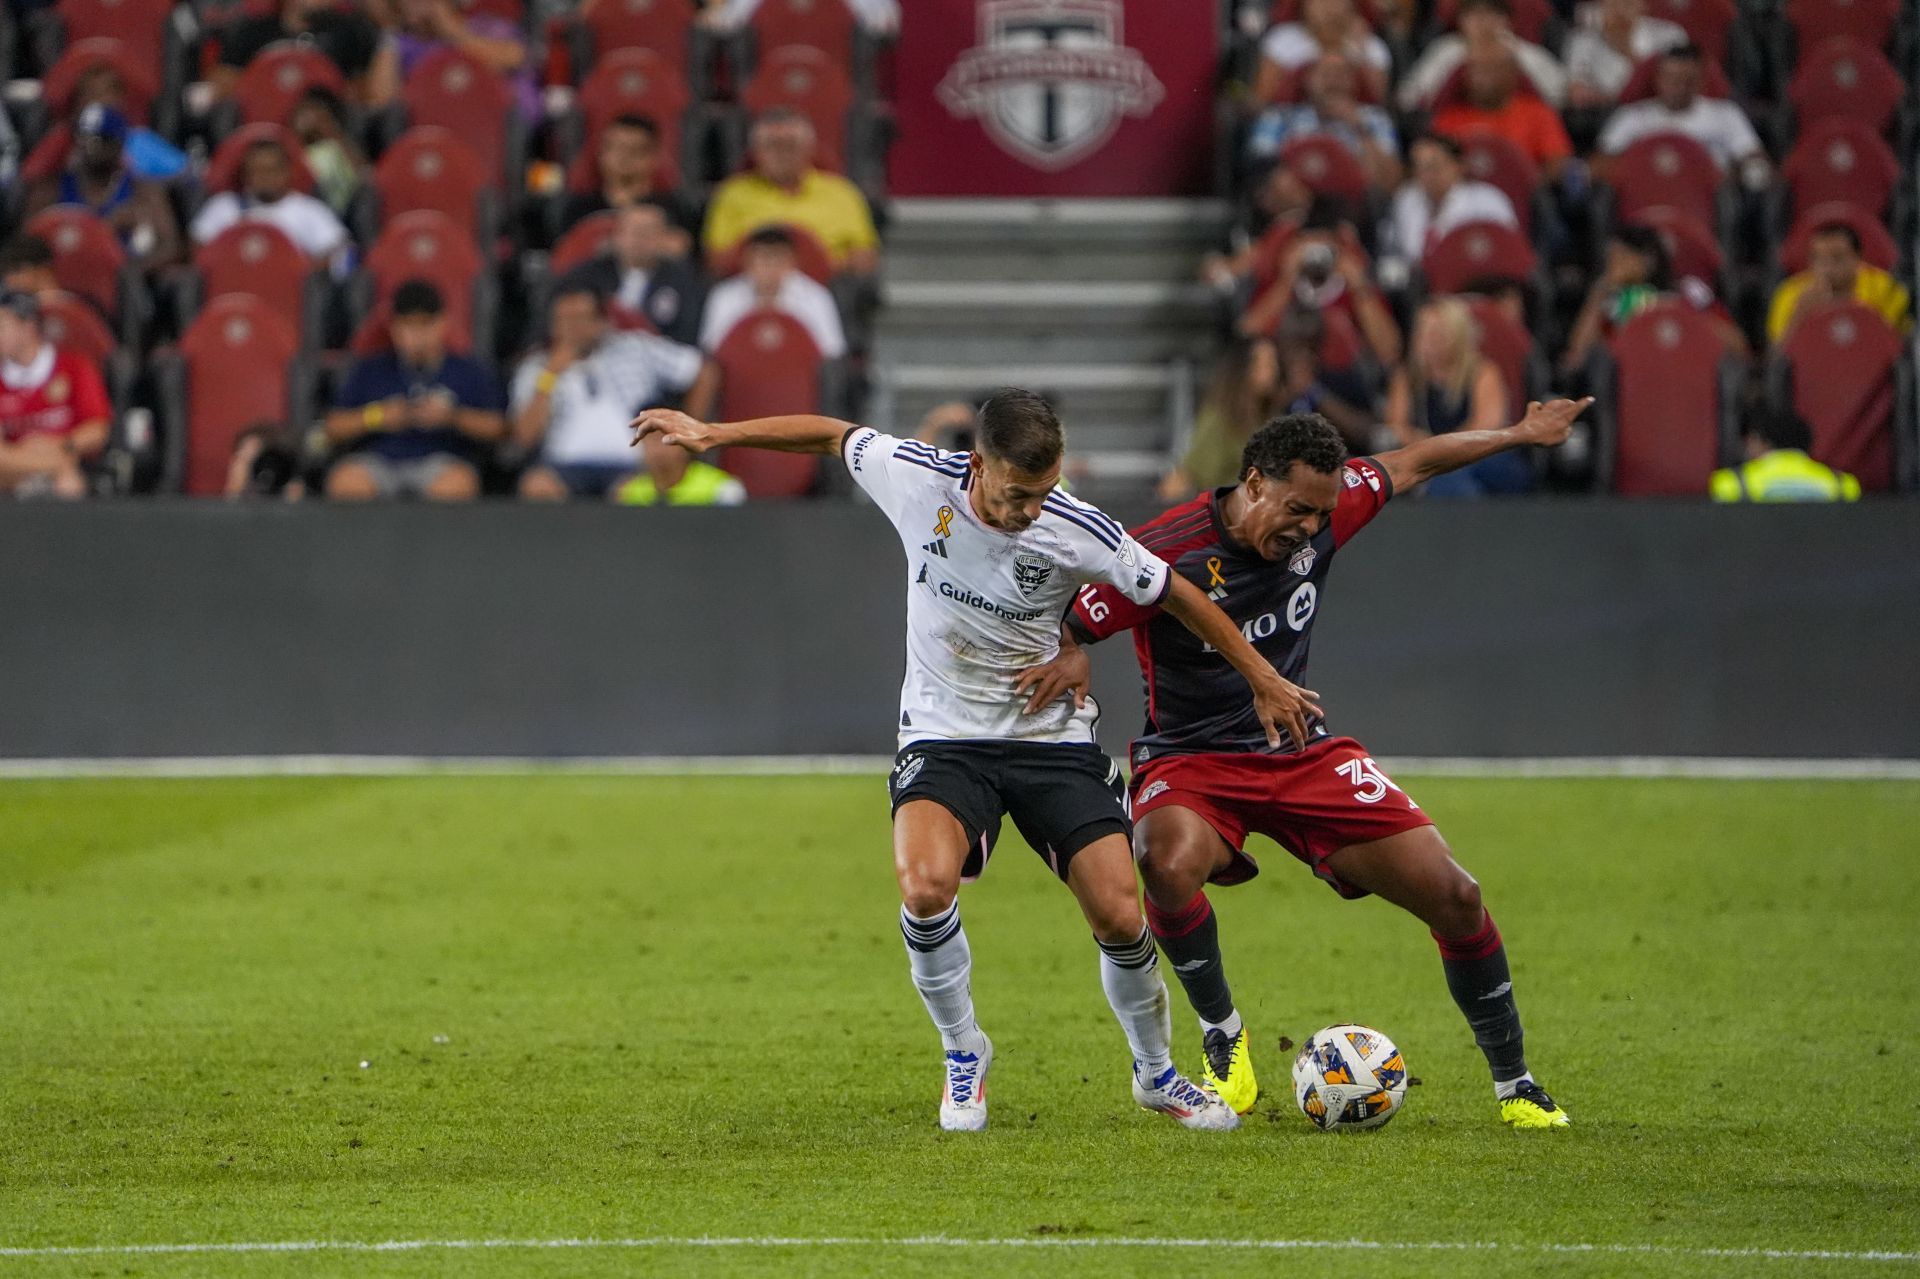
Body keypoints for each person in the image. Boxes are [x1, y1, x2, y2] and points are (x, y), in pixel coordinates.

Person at [630, 390, 1323, 1132]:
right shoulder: (915, 476)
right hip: (941, 732)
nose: (1033, 509)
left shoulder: (1074, 527)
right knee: (924, 887)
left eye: (1046, 489)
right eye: (1019, 493)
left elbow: (1177, 592)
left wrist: (1262, 676)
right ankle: (965, 1051)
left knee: (1122, 912)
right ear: (978, 465)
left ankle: (1155, 1072)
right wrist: (715, 431)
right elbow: (832, 435)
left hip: (1049, 738)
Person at [1045, 398, 1590, 1130]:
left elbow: (1417, 460)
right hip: (1193, 758)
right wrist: (1072, 651)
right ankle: (1223, 1033)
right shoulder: (1165, 548)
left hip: (1302, 751)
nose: (1309, 527)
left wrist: (1520, 433)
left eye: (1320, 513)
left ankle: (1516, 1083)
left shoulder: (1332, 509)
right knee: (1164, 862)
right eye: (1297, 508)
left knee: (1457, 895)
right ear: (1254, 480)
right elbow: (1068, 620)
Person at [513, 282, 715, 500]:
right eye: (563, 321)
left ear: (602, 322)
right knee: (537, 486)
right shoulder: (536, 367)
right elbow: (524, 437)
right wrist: (550, 376)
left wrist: (692, 428)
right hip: (563, 466)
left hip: (632, 463)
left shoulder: (635, 348)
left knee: (630, 492)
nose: (572, 329)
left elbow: (704, 371)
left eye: (580, 319)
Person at [323, 280, 505, 500]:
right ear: (394, 328)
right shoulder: (371, 369)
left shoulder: (467, 370)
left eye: (425, 324)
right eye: (408, 325)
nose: (417, 335)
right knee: (347, 482)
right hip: (380, 461)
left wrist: (452, 417)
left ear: (442, 324)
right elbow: (333, 427)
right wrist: (378, 416)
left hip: (441, 461)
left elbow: (498, 429)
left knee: (456, 484)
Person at [1162, 338, 1368, 500]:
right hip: (1225, 521)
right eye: (1266, 363)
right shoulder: (1221, 418)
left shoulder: (1269, 416)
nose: (1274, 370)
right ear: (1245, 369)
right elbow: (1187, 475)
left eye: (1273, 362)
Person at [1384, 296, 1531, 496]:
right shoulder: (1406, 376)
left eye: (1439, 334)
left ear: (1458, 336)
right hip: (1429, 462)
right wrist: (1430, 451)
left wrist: (1436, 452)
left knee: (1450, 479)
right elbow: (1396, 427)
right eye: (1424, 332)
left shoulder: (1483, 372)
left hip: (1483, 457)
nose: (1430, 341)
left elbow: (1486, 431)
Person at [703, 110, 880, 274]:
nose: (781, 154)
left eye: (790, 145)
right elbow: (715, 259)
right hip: (753, 285)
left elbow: (865, 256)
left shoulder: (842, 193)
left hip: (827, 284)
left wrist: (819, 265)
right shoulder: (732, 193)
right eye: (772, 146)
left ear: (810, 150)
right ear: (756, 152)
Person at [1560, 224, 1746, 371]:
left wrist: (1681, 319)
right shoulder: (1614, 299)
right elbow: (1577, 354)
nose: (1612, 265)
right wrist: (1601, 291)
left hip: (1686, 369)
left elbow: (1736, 343)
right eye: (1610, 258)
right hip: (1635, 381)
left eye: (1621, 257)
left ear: (1648, 259)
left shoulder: (1690, 289)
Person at [22, 105, 182, 270]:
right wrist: (104, 228)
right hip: (62, 274)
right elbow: (25, 247)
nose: (90, 148)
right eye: (84, 137)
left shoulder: (143, 190)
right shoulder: (50, 188)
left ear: (120, 144)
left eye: (101, 140)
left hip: (121, 278)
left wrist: (127, 270)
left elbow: (169, 247)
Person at [1594, 44, 1765, 179]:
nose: (1680, 87)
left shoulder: (1726, 114)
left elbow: (1754, 160)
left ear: (1701, 81)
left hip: (1708, 201)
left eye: (1688, 80)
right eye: (1672, 79)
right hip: (1646, 198)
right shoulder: (1632, 117)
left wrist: (1735, 176)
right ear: (1658, 79)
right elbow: (1600, 164)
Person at [0, 290, 111, 499]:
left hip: (69, 460)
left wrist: (59, 446)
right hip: (12, 473)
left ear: (27, 327)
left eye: (1, 326)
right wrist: (50, 461)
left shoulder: (73, 368)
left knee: (68, 483)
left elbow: (97, 429)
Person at [558, 200, 706, 345]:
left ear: (664, 238)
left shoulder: (683, 280)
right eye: (632, 231)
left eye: (647, 233)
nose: (638, 240)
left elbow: (688, 336)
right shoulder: (587, 276)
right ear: (616, 236)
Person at [1246, 54, 1401, 191]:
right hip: (1298, 198)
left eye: (1341, 75)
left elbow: (1389, 182)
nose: (1333, 81)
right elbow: (1261, 170)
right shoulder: (1280, 116)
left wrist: (1360, 128)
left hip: (1353, 200)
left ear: (1354, 83)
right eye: (1325, 74)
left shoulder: (1374, 118)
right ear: (1307, 80)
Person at [190, 137, 351, 269]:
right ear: (245, 175)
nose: (265, 177)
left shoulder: (310, 210)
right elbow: (197, 247)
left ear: (286, 172)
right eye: (256, 171)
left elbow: (335, 250)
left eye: (271, 170)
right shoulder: (223, 207)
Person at [699, 225, 846, 358]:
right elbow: (712, 351)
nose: (770, 268)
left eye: (778, 260)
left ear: (792, 262)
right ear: (746, 261)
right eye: (763, 259)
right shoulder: (724, 296)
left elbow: (831, 352)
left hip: (796, 377)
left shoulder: (816, 296)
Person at [212, 0, 395, 106]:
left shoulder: (351, 32)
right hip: (260, 124)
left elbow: (360, 97)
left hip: (323, 129)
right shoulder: (250, 30)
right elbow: (224, 90)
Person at [1430, 44, 1575, 178]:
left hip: (1523, 196)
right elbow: (1431, 166)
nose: (1483, 79)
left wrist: (1528, 185)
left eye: (1492, 70)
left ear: (1512, 75)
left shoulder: (1539, 113)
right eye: (1477, 71)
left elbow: (1557, 162)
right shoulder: (1448, 119)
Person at [555, 115, 695, 252]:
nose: (624, 157)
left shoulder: (671, 209)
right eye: (616, 148)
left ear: (655, 157)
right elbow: (565, 259)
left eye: (634, 151)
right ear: (601, 153)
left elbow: (680, 253)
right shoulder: (578, 208)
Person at [1398, 0, 1567, 111]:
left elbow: (1558, 99)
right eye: (1474, 15)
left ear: (1508, 20)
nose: (1483, 22)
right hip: (1456, 128)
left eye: (1492, 14)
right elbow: (1408, 97)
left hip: (1518, 127)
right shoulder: (1445, 50)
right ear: (1461, 20)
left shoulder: (1527, 53)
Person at [1382, 133, 1518, 269]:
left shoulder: (1487, 201)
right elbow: (1393, 250)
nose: (1426, 175)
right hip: (1417, 283)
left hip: (1472, 277)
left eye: (1433, 166)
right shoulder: (1406, 199)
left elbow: (1508, 250)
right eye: (1419, 168)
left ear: (1459, 166)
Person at [1765, 222, 1913, 345]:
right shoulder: (1790, 293)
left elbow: (1897, 346)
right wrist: (1800, 315)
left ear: (1857, 258)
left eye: (1838, 258)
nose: (1828, 268)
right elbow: (1777, 359)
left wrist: (1855, 313)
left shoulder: (1886, 288)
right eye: (1820, 260)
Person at [389, 0, 537, 120]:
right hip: (436, 126)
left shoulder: (485, 25)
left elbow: (514, 58)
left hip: (498, 124)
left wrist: (453, 32)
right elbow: (382, 100)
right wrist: (388, 35)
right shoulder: (404, 43)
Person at [1252, 0, 1392, 105]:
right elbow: (1262, 99)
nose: (1329, 8)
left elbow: (1379, 102)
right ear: (1304, 5)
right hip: (1293, 120)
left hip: (1352, 122)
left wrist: (1360, 50)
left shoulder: (1371, 46)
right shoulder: (1283, 40)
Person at [1710, 407, 1860, 502]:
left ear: (1762, 442)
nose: (1746, 447)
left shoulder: (1730, 483)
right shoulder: (1844, 485)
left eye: (1750, 440)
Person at [1565, 0, 1688, 108]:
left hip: (1656, 108)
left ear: (1643, 5)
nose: (1620, 10)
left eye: (1627, 3)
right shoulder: (1583, 39)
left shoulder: (1669, 34)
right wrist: (1615, 101)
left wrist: (1624, 48)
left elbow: (1674, 83)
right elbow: (1577, 93)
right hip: (1603, 113)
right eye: (1613, 3)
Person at [290, 89, 368, 217]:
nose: (309, 120)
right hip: (311, 207)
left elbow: (362, 172)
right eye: (303, 114)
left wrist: (330, 130)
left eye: (316, 113)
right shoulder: (292, 152)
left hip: (346, 210)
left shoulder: (334, 146)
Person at [615, 433, 747, 506]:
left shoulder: (721, 488)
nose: (658, 450)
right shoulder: (629, 493)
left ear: (686, 445)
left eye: (666, 441)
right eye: (650, 441)